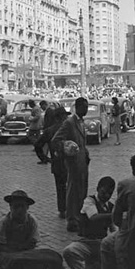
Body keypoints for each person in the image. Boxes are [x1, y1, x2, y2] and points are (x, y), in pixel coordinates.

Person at [0, 190, 63, 269]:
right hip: (6, 253)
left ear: (27, 207)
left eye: (22, 206)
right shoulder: (4, 222)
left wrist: (22, 252)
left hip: (25, 253)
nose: (19, 210)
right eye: (16, 206)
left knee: (48, 257)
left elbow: (33, 242)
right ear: (10, 206)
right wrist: (16, 252)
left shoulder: (31, 221)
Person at [52, 97, 91, 232]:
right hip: (73, 162)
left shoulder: (81, 122)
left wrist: (85, 153)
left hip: (83, 162)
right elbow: (56, 140)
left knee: (82, 189)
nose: (86, 110)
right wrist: (66, 147)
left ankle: (79, 215)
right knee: (73, 190)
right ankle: (71, 218)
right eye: (84, 107)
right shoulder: (69, 123)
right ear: (78, 107)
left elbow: (82, 142)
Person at [63, 176, 116, 269]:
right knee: (69, 251)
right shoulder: (89, 201)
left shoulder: (111, 207)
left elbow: (113, 230)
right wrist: (114, 214)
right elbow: (93, 217)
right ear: (98, 189)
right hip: (86, 242)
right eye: (103, 192)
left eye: (110, 193)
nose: (107, 196)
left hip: (101, 244)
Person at [34, 108, 69, 218]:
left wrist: (45, 158)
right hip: (70, 163)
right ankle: (69, 209)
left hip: (57, 163)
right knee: (71, 187)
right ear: (61, 117)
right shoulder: (69, 129)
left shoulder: (49, 131)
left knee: (60, 188)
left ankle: (62, 210)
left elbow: (38, 145)